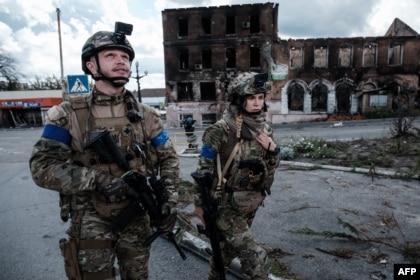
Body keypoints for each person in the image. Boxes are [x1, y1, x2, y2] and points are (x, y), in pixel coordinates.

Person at [29, 22, 179, 280]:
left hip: (137, 216)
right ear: (91, 65)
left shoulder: (147, 116)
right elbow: (42, 167)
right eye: (111, 55)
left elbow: (169, 160)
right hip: (91, 220)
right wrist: (97, 180)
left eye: (125, 57)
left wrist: (169, 202)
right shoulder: (66, 114)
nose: (121, 62)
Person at [194, 72, 280, 280]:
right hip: (225, 205)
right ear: (239, 99)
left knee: (226, 253)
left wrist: (273, 151)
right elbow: (203, 169)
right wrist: (199, 204)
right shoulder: (221, 130)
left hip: (250, 202)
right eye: (251, 98)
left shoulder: (264, 129)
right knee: (255, 256)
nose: (257, 103)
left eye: (260, 97)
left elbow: (270, 169)